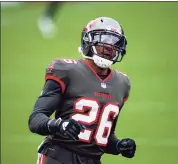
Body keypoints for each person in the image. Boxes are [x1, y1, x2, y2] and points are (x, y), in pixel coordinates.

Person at [29, 16, 136, 164]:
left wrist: (118, 146)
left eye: (114, 43)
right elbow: (35, 120)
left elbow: (101, 136)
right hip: (58, 157)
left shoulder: (122, 83)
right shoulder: (66, 70)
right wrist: (59, 125)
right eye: (103, 40)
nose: (109, 47)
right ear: (89, 41)